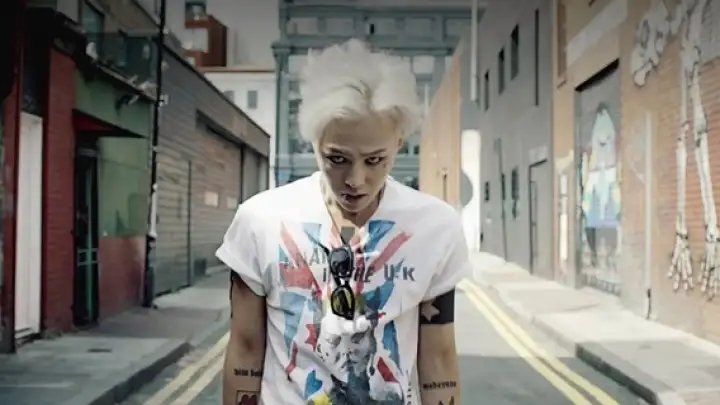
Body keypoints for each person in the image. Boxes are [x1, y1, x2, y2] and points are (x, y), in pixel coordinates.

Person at [216, 39, 471, 405]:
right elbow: (244, 350)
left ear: (399, 143)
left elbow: (439, 359)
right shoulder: (260, 221)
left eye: (375, 160)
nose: (355, 180)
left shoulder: (436, 227)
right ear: (314, 142)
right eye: (337, 159)